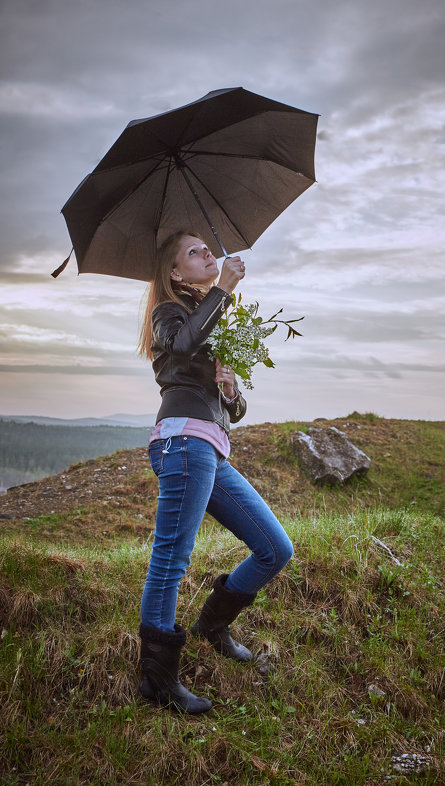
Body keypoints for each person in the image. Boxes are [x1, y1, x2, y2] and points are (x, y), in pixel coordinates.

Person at [137, 230, 294, 715]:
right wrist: (224, 285)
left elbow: (235, 409)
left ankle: (213, 624)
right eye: (195, 252)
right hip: (183, 443)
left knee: (274, 549)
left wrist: (229, 389)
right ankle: (158, 678)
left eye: (209, 248)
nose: (209, 254)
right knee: (171, 558)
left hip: (210, 447)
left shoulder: (211, 319)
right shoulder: (170, 313)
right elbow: (182, 343)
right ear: (175, 274)